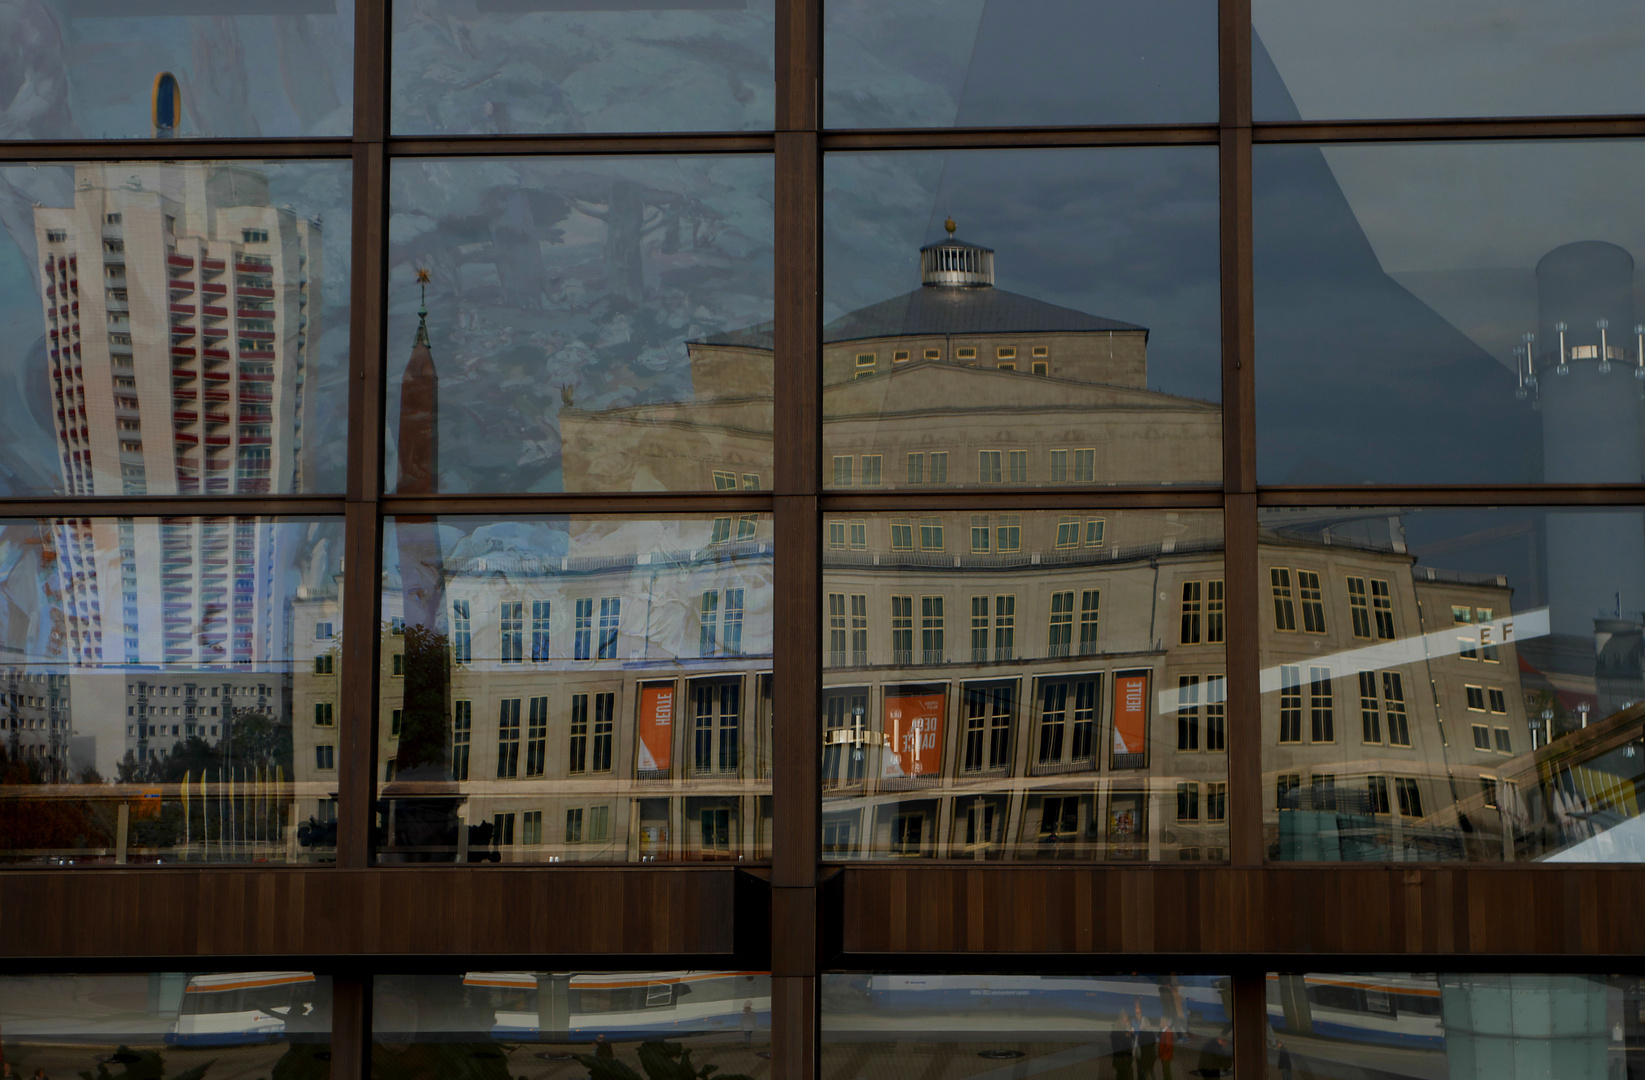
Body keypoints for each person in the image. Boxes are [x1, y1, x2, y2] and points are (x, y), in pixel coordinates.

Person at [1133, 999, 1157, 1080]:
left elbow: (1139, 1042)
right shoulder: (1150, 1033)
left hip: (1143, 1057)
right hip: (1148, 1057)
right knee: (1149, 1072)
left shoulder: (1143, 1034)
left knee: (1143, 1073)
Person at [1110, 1010, 1136, 1080]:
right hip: (1121, 1057)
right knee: (1122, 1074)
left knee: (1126, 1073)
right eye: (1126, 1017)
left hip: (1126, 1057)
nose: (1127, 1019)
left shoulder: (1126, 1027)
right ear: (1122, 1018)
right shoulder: (1117, 1027)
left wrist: (1130, 1031)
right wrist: (1125, 1034)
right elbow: (1115, 1039)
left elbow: (1133, 1037)